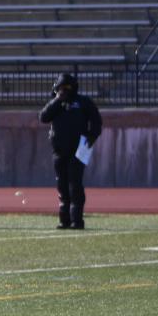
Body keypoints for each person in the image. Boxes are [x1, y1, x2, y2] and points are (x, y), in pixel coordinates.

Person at [40, 72, 102, 230]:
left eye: (67, 88)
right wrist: (57, 100)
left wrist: (91, 137)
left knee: (75, 185)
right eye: (61, 88)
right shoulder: (55, 104)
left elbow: (96, 121)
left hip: (78, 151)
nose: (64, 91)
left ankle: (77, 220)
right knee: (62, 185)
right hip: (59, 151)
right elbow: (43, 117)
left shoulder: (83, 102)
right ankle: (64, 220)